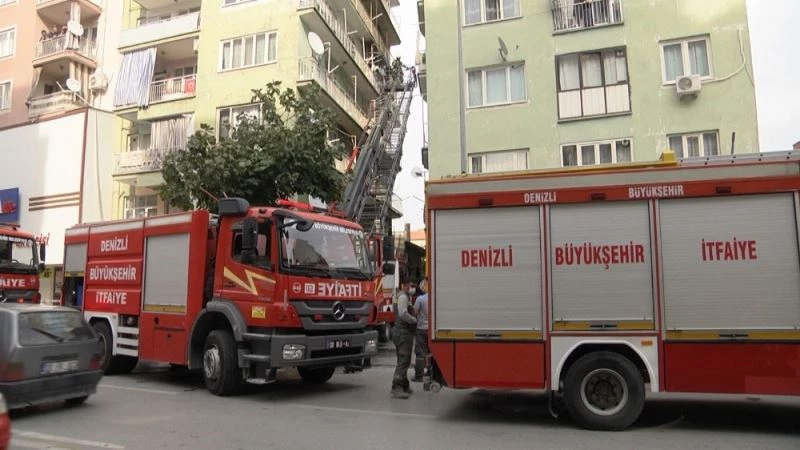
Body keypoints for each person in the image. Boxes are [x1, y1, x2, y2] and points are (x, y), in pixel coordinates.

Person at [390, 279, 416, 399]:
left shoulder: (403, 296)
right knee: (404, 360)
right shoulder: (403, 297)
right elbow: (403, 314)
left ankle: (404, 385)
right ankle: (396, 387)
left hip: (401, 332)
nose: (412, 288)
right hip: (403, 332)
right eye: (411, 286)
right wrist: (414, 320)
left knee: (403, 359)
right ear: (404, 285)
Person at [412, 278, 429, 382]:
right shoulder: (436, 297)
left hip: (421, 329)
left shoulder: (420, 299)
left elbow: (414, 312)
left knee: (420, 353)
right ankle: (431, 373)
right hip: (432, 330)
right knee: (432, 352)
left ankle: (419, 376)